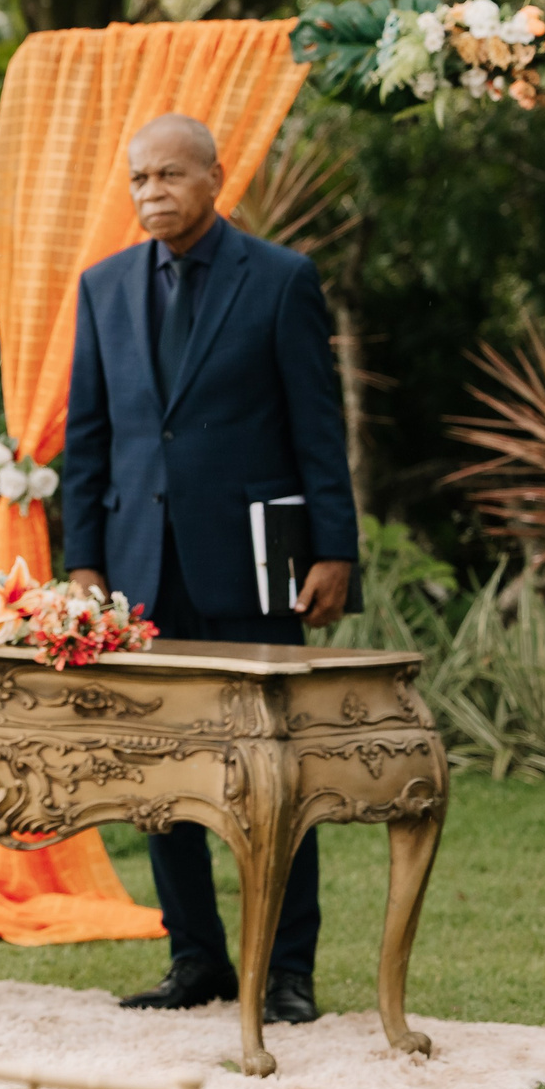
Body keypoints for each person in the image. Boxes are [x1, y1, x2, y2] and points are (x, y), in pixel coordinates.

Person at [62, 112, 358, 1026]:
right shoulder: (103, 286)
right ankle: (195, 960)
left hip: (255, 568)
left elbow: (317, 425)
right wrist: (82, 562)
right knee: (160, 780)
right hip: (138, 575)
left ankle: (288, 970)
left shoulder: (280, 278)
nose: (151, 192)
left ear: (215, 178)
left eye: (169, 175)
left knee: (274, 776)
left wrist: (335, 549)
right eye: (138, 179)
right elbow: (88, 439)